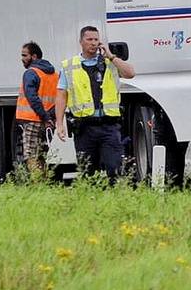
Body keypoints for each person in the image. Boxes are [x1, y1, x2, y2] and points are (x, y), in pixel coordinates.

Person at [55, 26, 135, 182]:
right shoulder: (69, 66)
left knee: (115, 168)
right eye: (89, 39)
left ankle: (115, 199)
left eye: (96, 39)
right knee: (87, 171)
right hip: (84, 127)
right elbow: (61, 95)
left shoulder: (110, 63)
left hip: (109, 126)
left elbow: (130, 73)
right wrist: (59, 123)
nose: (93, 43)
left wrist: (111, 56)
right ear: (81, 42)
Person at [15, 41, 58, 176]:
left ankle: (39, 183)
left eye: (24, 55)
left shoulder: (31, 73)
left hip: (33, 119)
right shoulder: (54, 74)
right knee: (42, 154)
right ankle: (45, 181)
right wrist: (49, 117)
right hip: (48, 121)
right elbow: (60, 97)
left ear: (34, 56)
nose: (22, 59)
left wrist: (44, 116)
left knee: (30, 155)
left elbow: (32, 97)